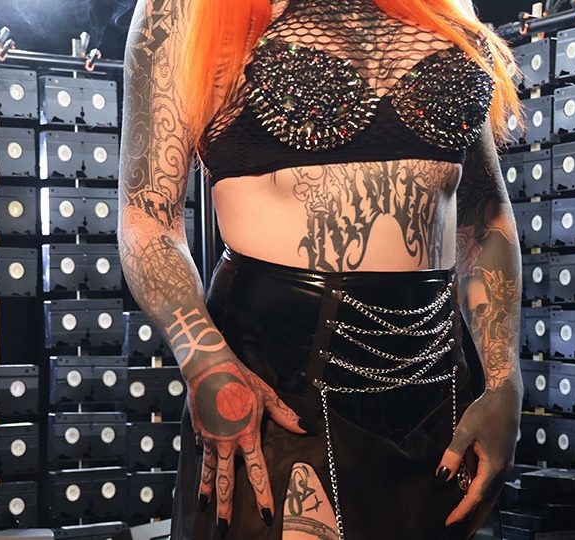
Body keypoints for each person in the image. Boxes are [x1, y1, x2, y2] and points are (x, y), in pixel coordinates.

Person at [118, 0, 523, 538]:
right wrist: (204, 361)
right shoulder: (184, 9)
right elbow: (147, 217)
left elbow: (482, 211)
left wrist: (504, 384)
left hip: (437, 383)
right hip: (281, 384)